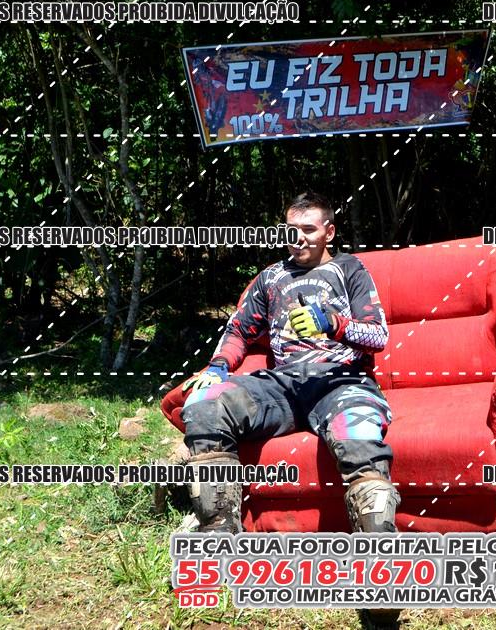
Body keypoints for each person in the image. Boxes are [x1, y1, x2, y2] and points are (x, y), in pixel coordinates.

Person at [165, 191, 399, 537]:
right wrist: (218, 366)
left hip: (342, 382)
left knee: (358, 434)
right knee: (204, 402)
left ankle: (377, 548)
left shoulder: (350, 269)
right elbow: (239, 331)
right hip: (283, 385)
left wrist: (331, 323)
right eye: (291, 230)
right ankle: (219, 532)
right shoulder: (271, 277)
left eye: (309, 229)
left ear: (329, 232)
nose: (298, 238)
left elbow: (378, 336)